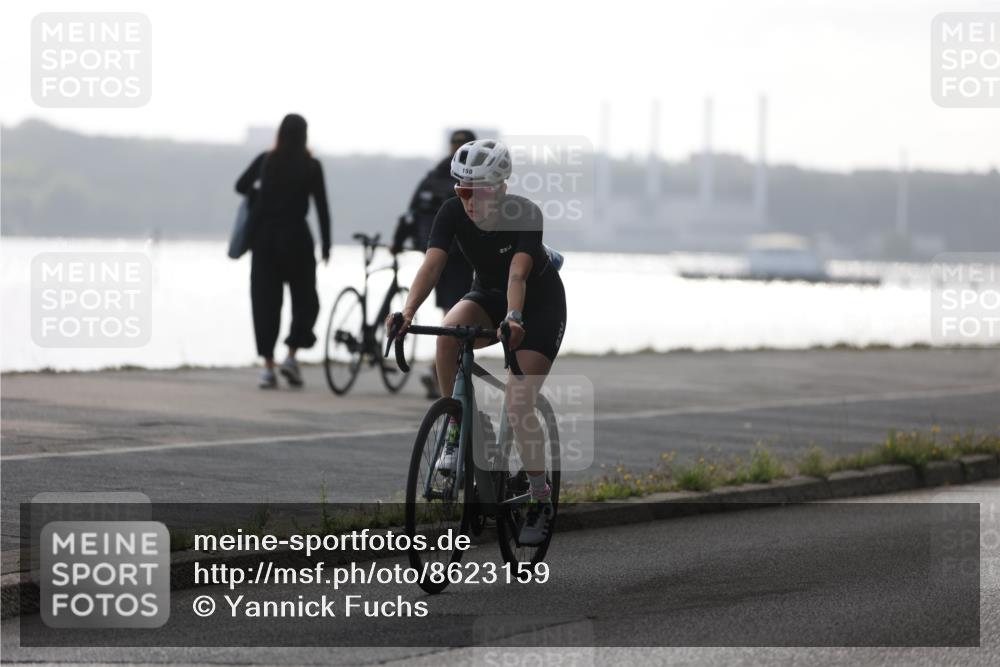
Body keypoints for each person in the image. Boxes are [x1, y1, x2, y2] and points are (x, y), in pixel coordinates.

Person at [388, 139, 567, 545]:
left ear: (500, 187)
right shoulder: (452, 211)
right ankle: (457, 427)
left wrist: (514, 317)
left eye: (478, 190)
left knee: (519, 403)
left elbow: (517, 276)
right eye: (461, 190)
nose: (468, 200)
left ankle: (540, 498)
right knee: (448, 337)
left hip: (536, 307)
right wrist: (408, 313)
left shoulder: (524, 213)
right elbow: (432, 264)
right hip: (486, 295)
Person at [236, 113, 331, 389]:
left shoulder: (266, 160)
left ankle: (268, 368)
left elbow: (240, 185)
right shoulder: (311, 165)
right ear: (304, 135)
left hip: (264, 240)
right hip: (297, 240)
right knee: (306, 301)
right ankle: (290, 355)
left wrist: (259, 193)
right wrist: (326, 244)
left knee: (265, 302)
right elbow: (321, 207)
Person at [392, 129, 476, 398]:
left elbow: (411, 212)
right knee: (453, 311)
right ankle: (436, 367)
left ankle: (438, 365)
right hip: (458, 256)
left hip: (434, 249)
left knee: (449, 310)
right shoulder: (462, 178)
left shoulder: (435, 175)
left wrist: (398, 241)